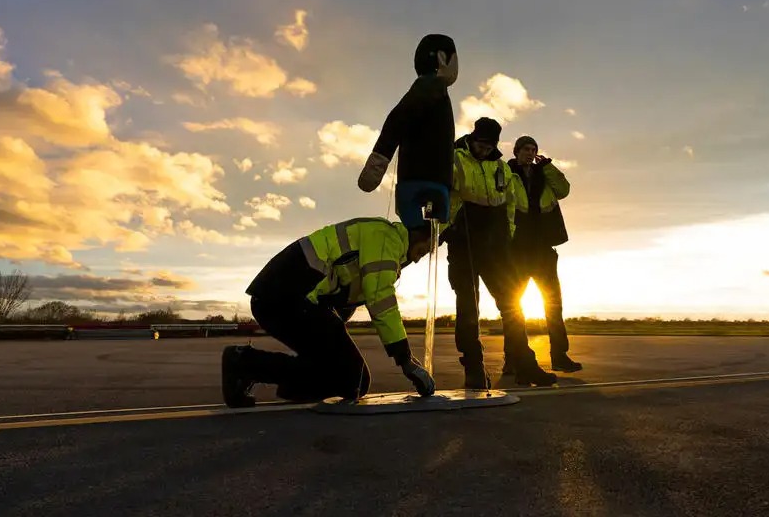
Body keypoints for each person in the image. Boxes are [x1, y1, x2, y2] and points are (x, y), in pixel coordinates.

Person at [221, 217, 436, 408]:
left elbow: (343, 291)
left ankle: (259, 370)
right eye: (423, 250)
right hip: (285, 298)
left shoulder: (381, 241)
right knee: (352, 380)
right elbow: (381, 300)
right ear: (417, 233)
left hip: (283, 299)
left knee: (349, 378)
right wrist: (405, 360)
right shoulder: (388, 239)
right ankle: (243, 363)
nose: (417, 259)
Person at [440, 117, 558, 389]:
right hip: (463, 245)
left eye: (490, 145)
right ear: (473, 138)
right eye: (481, 144)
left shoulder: (503, 168)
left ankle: (525, 366)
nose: (484, 149)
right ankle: (474, 369)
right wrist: (444, 231)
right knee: (468, 307)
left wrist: (508, 235)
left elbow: (510, 204)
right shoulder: (454, 159)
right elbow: (443, 196)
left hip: (495, 248)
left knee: (512, 305)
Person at [357, 34, 458, 230]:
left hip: (423, 179)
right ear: (442, 58)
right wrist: (378, 161)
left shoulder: (433, 90)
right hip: (426, 179)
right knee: (420, 232)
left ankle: (416, 239)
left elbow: (398, 120)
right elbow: (397, 119)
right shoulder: (430, 87)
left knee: (422, 232)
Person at [505, 136, 582, 373]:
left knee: (553, 306)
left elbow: (564, 190)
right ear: (516, 151)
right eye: (526, 149)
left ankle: (559, 355)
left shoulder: (544, 175)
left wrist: (547, 166)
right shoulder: (506, 173)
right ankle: (512, 360)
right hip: (517, 251)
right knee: (512, 308)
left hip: (543, 251)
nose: (530, 153)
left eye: (533, 149)